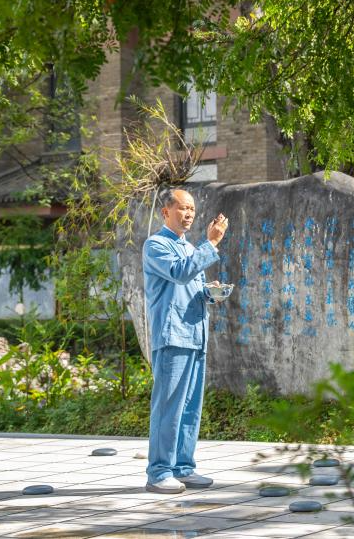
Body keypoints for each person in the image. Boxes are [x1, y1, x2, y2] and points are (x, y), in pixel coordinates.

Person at [142, 187, 228, 494]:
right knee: (168, 407)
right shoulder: (155, 245)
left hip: (195, 333)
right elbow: (179, 273)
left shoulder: (190, 247)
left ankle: (182, 467)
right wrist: (212, 242)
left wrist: (210, 292)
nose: (189, 213)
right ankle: (159, 472)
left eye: (192, 208)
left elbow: (191, 285)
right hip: (172, 335)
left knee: (190, 407)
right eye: (183, 208)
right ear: (166, 212)